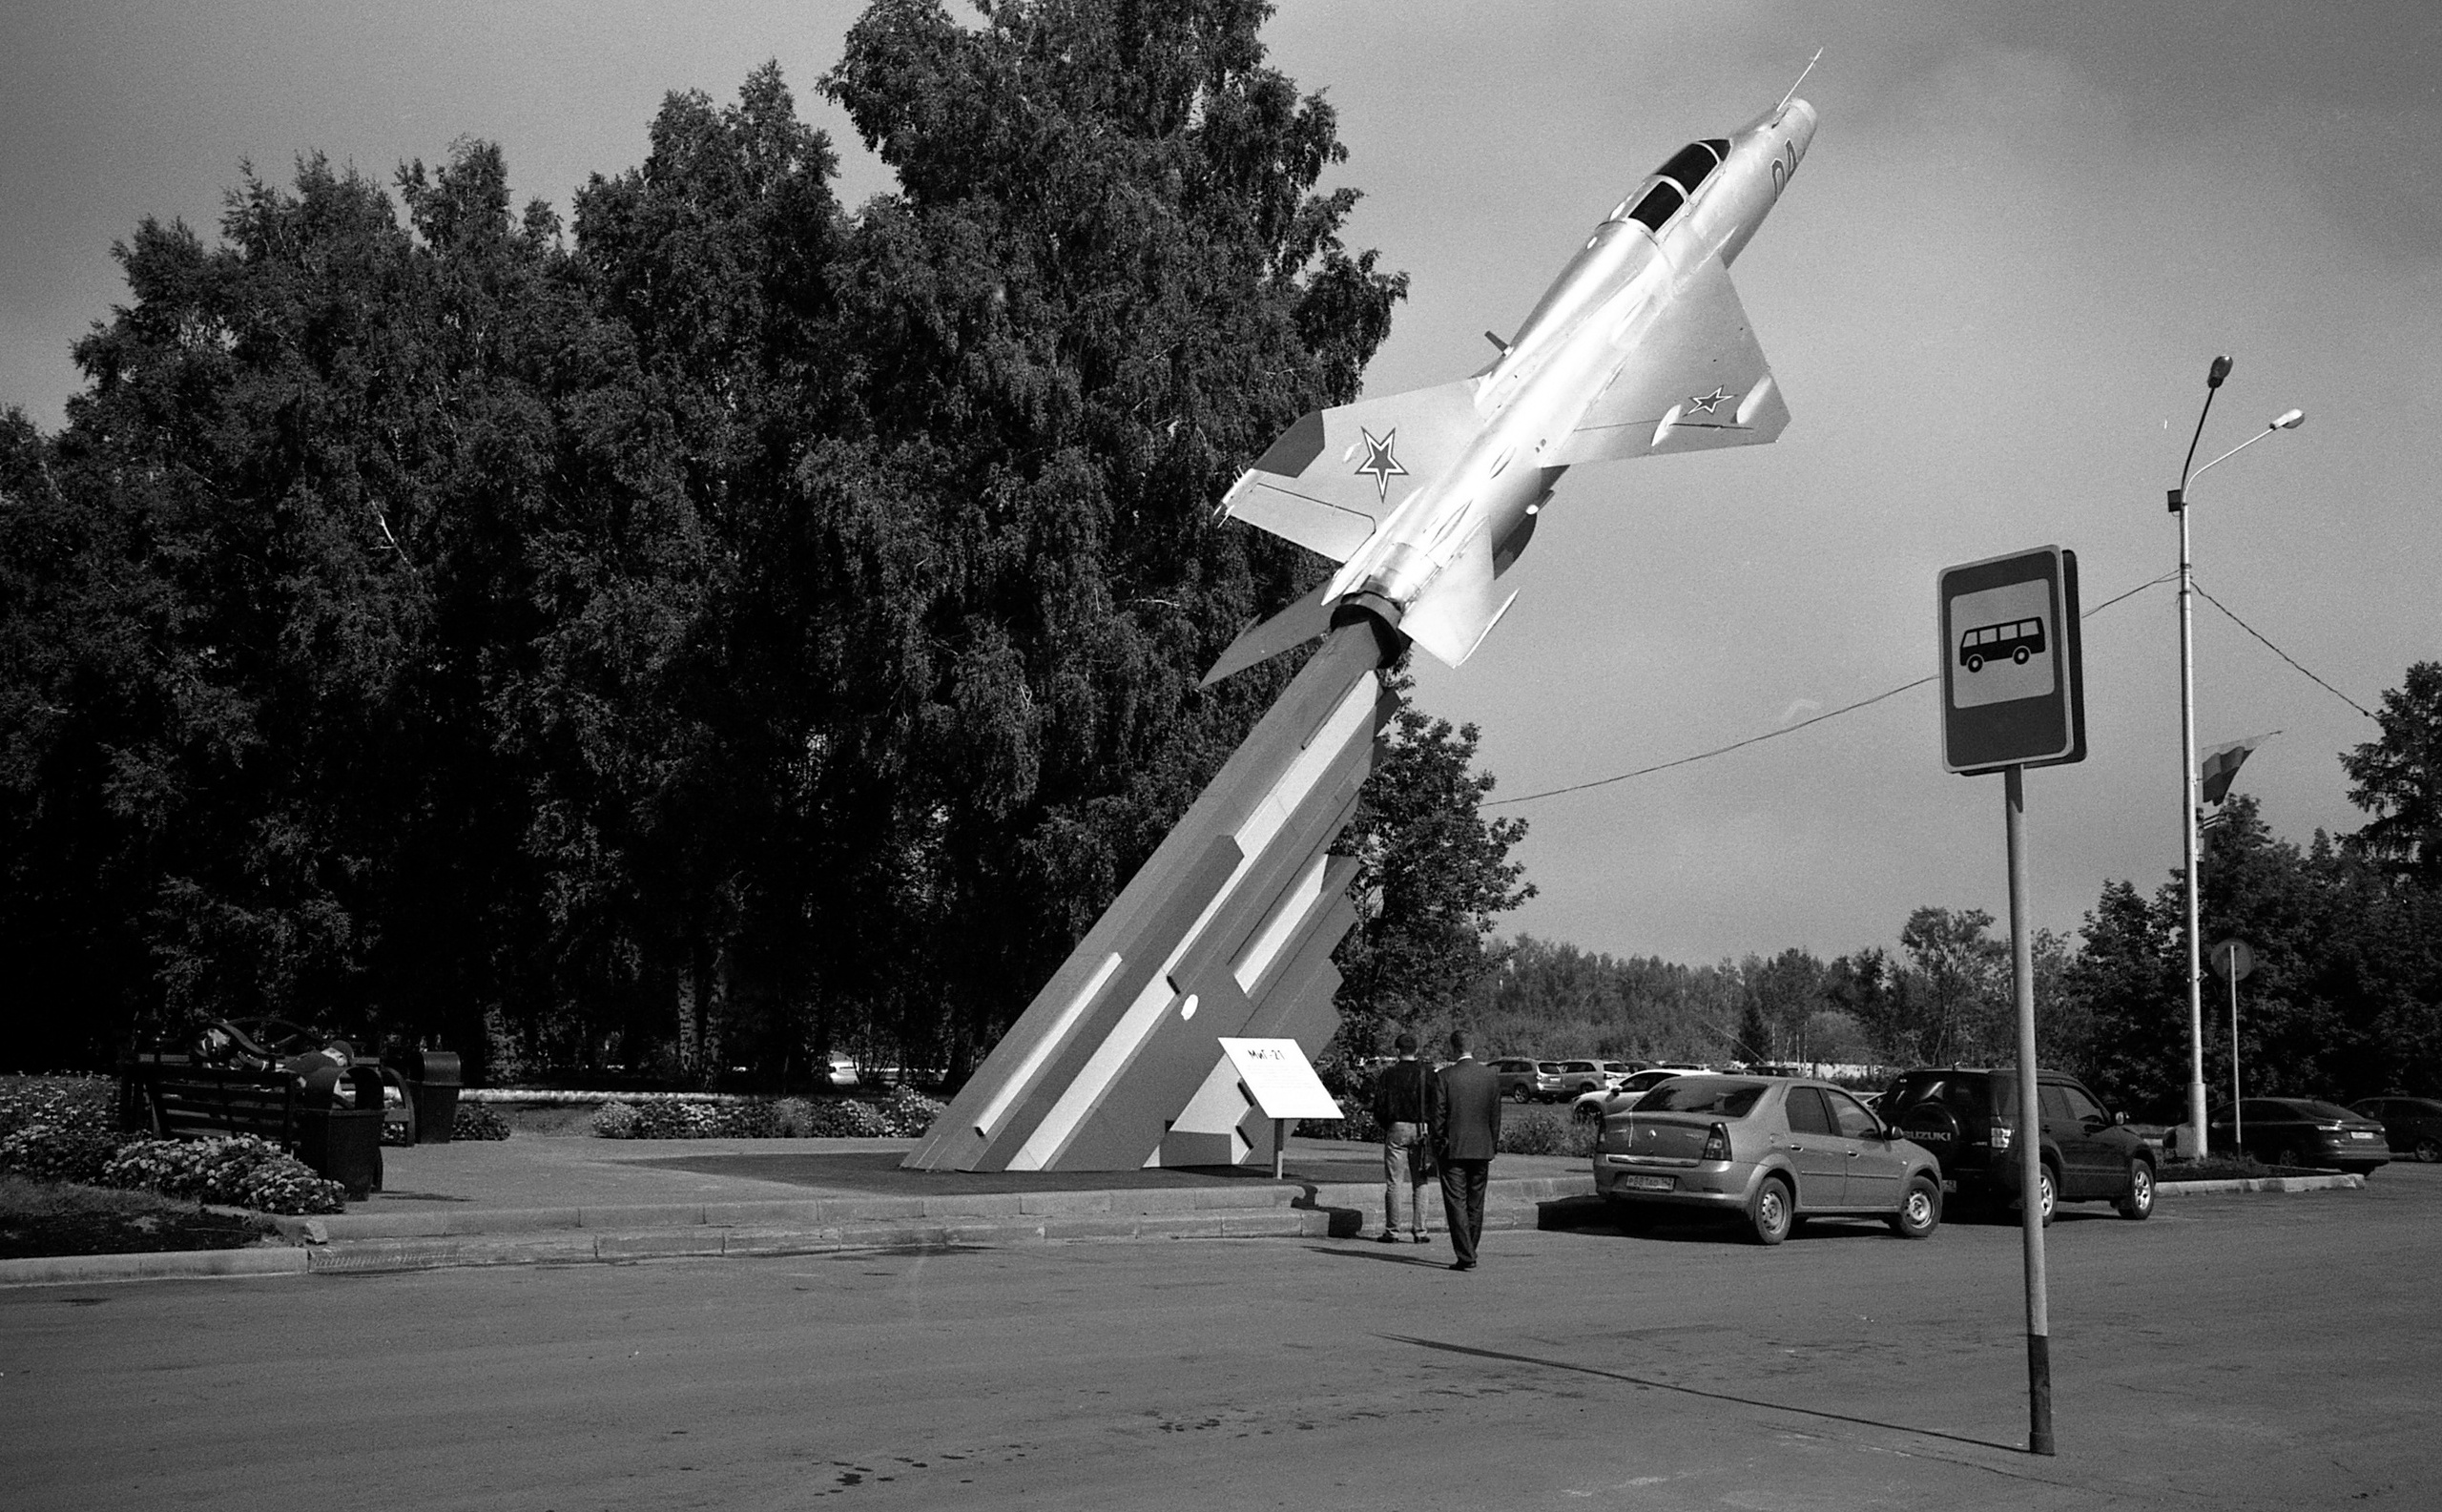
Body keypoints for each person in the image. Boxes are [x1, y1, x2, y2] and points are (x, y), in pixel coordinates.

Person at [1431, 1028, 1502, 1271]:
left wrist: (1438, 1145)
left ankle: (1466, 1253)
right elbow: (1495, 1116)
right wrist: (1492, 1145)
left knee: (1456, 1202)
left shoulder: (1445, 1076)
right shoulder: (1490, 1076)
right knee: (1475, 1202)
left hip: (1453, 1148)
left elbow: (1438, 1116)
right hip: (1481, 1147)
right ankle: (1470, 1247)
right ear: (1473, 1047)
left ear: (1453, 1049)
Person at [1369, 1033, 1436, 1244]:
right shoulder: (1427, 1073)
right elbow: (1437, 1103)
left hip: (1397, 1127)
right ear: (1416, 1050)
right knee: (1421, 1180)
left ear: (1397, 1051)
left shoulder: (1389, 1074)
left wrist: (1388, 1125)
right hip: (1422, 1128)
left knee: (1394, 1182)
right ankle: (1420, 1230)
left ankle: (1392, 1230)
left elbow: (1379, 1106)